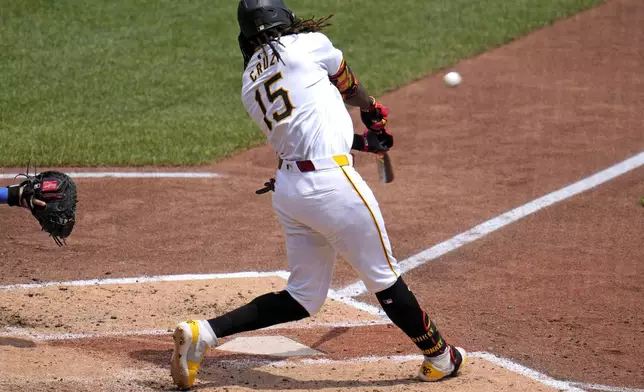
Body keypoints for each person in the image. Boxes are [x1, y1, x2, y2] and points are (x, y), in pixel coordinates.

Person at [170, 1, 466, 389]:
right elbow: (349, 87)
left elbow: (307, 127)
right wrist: (372, 107)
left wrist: (365, 142)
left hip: (292, 191)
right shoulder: (308, 44)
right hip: (332, 187)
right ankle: (441, 357)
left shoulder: (249, 82)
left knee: (304, 296)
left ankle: (204, 333)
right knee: (384, 277)